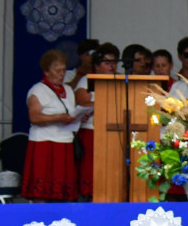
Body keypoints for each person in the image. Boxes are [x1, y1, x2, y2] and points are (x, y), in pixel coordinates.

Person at [22, 49, 78, 201]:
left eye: (64, 70)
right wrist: (58, 117)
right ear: (46, 71)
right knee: (42, 191)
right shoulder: (38, 90)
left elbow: (71, 111)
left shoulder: (68, 90)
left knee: (62, 192)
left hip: (64, 142)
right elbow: (34, 117)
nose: (62, 74)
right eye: (57, 70)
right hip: (45, 143)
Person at [74, 42, 119, 199]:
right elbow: (81, 102)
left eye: (114, 62)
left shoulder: (120, 81)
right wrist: (103, 104)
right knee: (91, 173)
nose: (112, 66)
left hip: (114, 133)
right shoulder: (87, 80)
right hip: (91, 132)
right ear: (97, 65)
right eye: (107, 63)